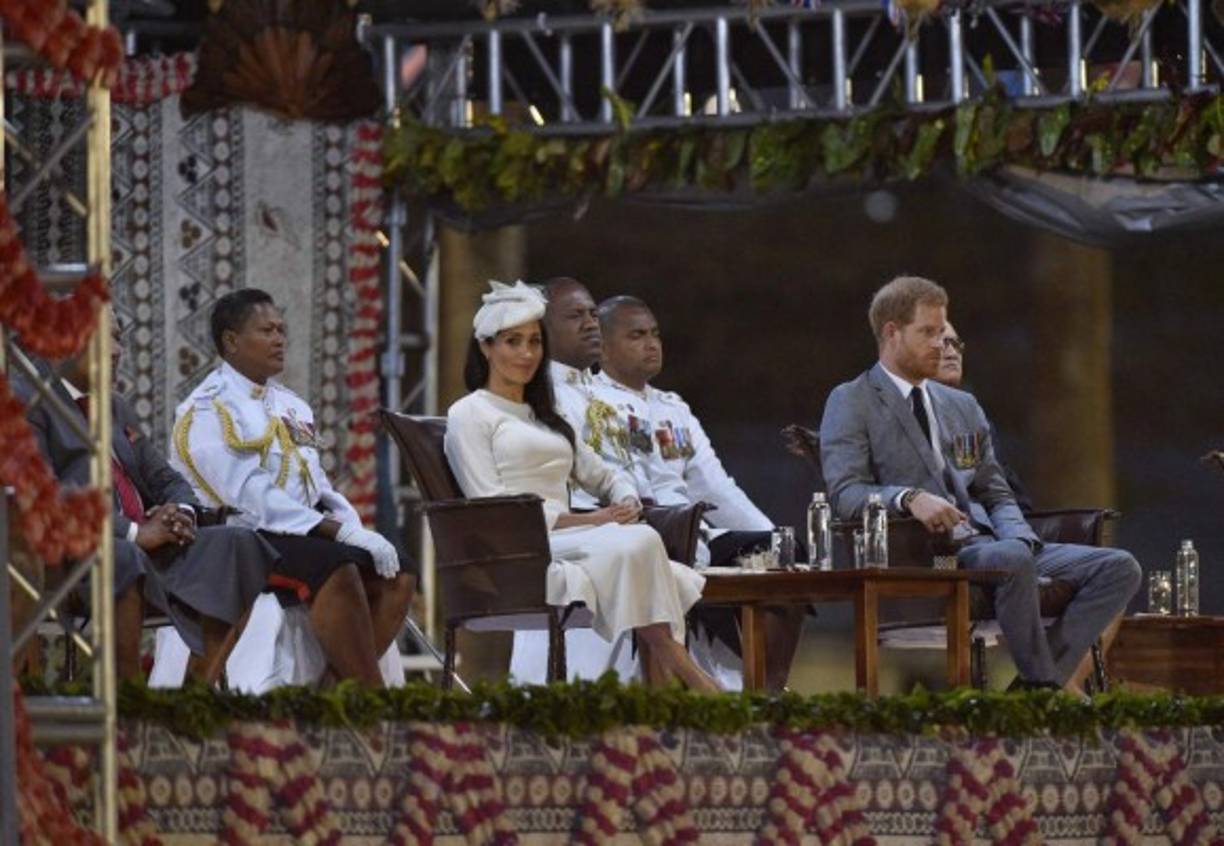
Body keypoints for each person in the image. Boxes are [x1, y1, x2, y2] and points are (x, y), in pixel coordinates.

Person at [819, 275, 1141, 693]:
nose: (941, 344)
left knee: (1119, 567)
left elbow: (995, 490)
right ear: (892, 333)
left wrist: (1020, 537)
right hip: (927, 554)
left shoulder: (962, 406)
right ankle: (1044, 686)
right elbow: (845, 493)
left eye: (943, 331)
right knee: (1011, 558)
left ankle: (1035, 686)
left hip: (993, 545)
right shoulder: (852, 400)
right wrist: (908, 498)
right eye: (928, 332)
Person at [444, 280, 719, 692]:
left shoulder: (546, 415)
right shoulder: (470, 413)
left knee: (641, 544)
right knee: (642, 546)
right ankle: (687, 677)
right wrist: (592, 520)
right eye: (513, 342)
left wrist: (625, 498)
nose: (526, 353)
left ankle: (668, 685)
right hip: (520, 547)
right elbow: (494, 508)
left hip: (570, 539)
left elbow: (604, 473)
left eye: (535, 342)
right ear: (485, 347)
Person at [169, 288, 416, 688]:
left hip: (300, 532)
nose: (279, 339)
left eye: (281, 330)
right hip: (240, 538)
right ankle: (370, 695)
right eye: (266, 331)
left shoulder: (291, 405)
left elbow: (316, 483)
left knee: (399, 573)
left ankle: (334, 692)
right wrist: (337, 534)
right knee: (336, 567)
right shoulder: (207, 410)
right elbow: (251, 495)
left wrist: (351, 525)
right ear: (231, 341)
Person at [15, 310, 279, 682]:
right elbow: (44, 496)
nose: (116, 350)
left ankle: (195, 692)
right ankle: (129, 698)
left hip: (150, 548)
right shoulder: (27, 401)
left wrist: (181, 513)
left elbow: (164, 477)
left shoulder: (115, 407)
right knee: (123, 555)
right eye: (103, 337)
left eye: (118, 338)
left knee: (241, 544)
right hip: (77, 556)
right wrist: (135, 532)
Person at [576, 295, 804, 690]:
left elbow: (716, 486)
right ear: (605, 348)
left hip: (695, 530)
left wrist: (772, 535)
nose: (651, 344)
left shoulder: (673, 409)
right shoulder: (590, 403)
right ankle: (694, 684)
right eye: (636, 336)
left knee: (784, 557)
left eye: (654, 334)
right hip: (644, 530)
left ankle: (769, 690)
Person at [934, 322, 1033, 513]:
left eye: (955, 344)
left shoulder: (973, 419)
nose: (952, 353)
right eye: (942, 344)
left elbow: (1014, 499)